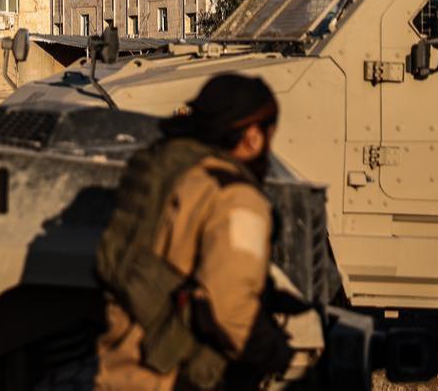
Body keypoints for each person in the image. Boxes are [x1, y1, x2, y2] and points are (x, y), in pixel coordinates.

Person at [94, 73, 293, 390]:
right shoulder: (235, 198)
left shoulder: (167, 169)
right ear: (253, 138)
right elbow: (228, 308)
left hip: (123, 370)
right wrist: (277, 352)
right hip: (177, 378)